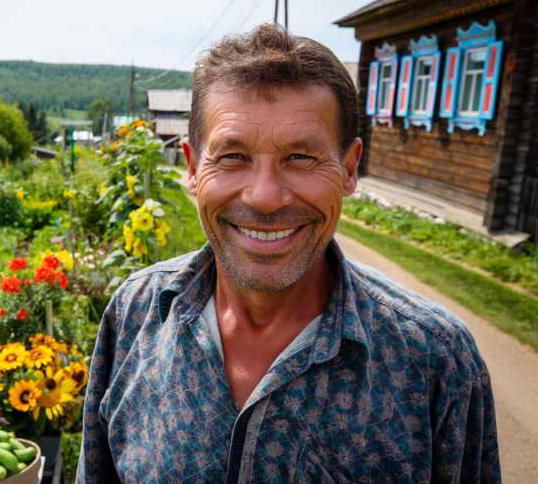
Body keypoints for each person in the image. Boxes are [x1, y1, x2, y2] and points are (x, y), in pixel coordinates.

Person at [77, 24, 499, 483]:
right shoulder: (135, 314)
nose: (264, 197)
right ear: (194, 168)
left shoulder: (437, 361)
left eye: (300, 157)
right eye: (233, 156)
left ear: (350, 169)